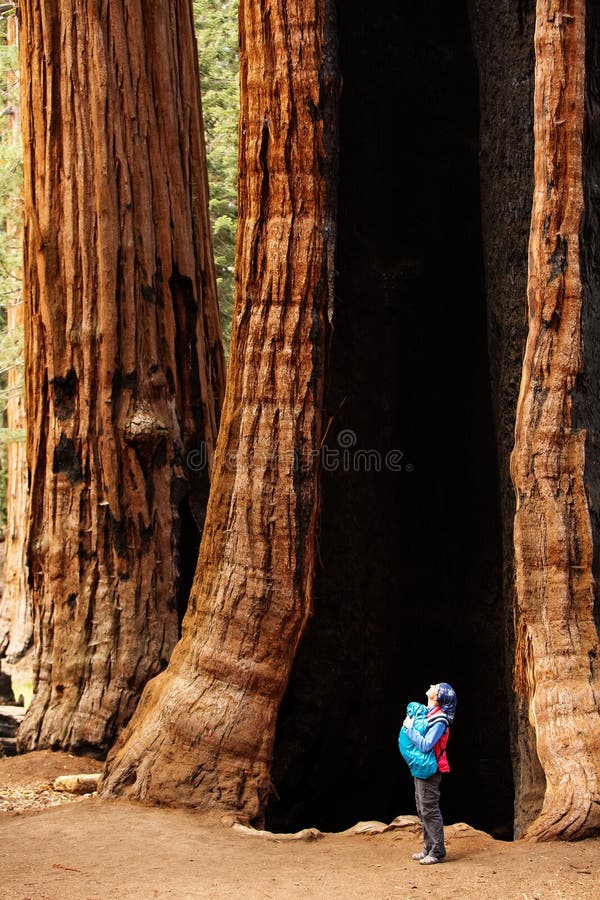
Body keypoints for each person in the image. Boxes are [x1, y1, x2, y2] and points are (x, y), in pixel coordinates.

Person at [400, 682, 457, 865]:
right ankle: (428, 847)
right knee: (422, 809)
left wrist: (409, 729)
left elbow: (426, 744)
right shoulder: (428, 714)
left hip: (430, 770)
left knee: (429, 810)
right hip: (420, 768)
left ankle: (438, 851)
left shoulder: (439, 720)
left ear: (439, 697)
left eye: (436, 686)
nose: (432, 685)